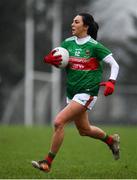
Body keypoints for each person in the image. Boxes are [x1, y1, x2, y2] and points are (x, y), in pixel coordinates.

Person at [32, 13, 120, 173]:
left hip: (87, 93)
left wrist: (111, 82)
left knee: (59, 122)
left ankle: (47, 163)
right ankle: (111, 140)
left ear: (85, 26)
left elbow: (115, 65)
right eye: (72, 21)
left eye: (76, 22)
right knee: (84, 130)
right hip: (72, 92)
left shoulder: (94, 46)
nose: (72, 24)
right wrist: (49, 59)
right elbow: (57, 57)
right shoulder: (68, 43)